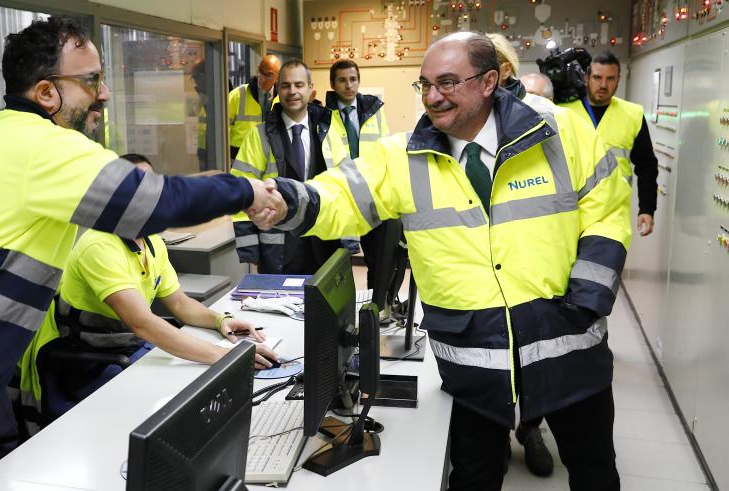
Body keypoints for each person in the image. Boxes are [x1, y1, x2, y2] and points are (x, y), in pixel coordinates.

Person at [0, 17, 282, 490]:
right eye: (91, 80)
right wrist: (244, 191)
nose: (103, 94)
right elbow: (154, 202)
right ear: (45, 92)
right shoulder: (35, 146)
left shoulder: (19, 138)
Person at [252, 32, 629, 491]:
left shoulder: (559, 133)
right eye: (424, 84)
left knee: (594, 476)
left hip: (568, 356)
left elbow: (608, 213)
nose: (432, 96)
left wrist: (585, 302)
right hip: (473, 364)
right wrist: (289, 200)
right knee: (473, 478)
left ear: (490, 81)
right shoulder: (403, 156)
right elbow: (340, 195)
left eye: (448, 82)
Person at [19, 154, 278, 424]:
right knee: (181, 401)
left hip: (124, 349)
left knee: (196, 385)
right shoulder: (99, 245)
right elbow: (143, 323)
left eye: (150, 188)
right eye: (136, 190)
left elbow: (179, 304)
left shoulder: (151, 241)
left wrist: (220, 320)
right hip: (85, 364)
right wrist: (224, 357)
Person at [489, 32, 558, 478]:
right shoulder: (453, 122)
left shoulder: (545, 116)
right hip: (483, 270)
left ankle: (530, 429)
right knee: (493, 361)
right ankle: (494, 432)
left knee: (531, 360)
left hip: (533, 264)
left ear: (503, 72)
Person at [230, 60, 351, 274]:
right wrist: (250, 249)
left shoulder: (330, 133)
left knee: (323, 306)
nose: (292, 91)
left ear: (311, 89)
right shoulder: (259, 136)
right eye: (285, 85)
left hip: (324, 242)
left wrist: (349, 238)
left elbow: (347, 187)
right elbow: (241, 191)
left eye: (299, 85)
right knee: (277, 306)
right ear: (277, 89)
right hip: (277, 248)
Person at [560, 51, 660, 237]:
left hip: (613, 214)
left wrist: (647, 209)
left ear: (619, 79)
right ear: (587, 77)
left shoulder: (632, 115)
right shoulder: (564, 112)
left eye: (610, 79)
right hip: (570, 211)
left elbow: (647, 166)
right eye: (597, 78)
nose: (603, 85)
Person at [325, 59, 392, 293]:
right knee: (339, 263)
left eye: (353, 79)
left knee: (378, 260)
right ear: (333, 84)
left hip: (372, 195)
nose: (348, 85)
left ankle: (375, 309)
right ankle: (343, 314)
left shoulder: (374, 110)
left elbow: (385, 149)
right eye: (342, 80)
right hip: (341, 196)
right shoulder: (322, 114)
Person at [228, 54, 281, 159]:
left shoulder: (283, 99)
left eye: (269, 75)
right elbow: (221, 130)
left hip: (270, 160)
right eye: (261, 72)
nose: (262, 78)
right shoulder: (237, 95)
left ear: (277, 78)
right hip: (240, 159)